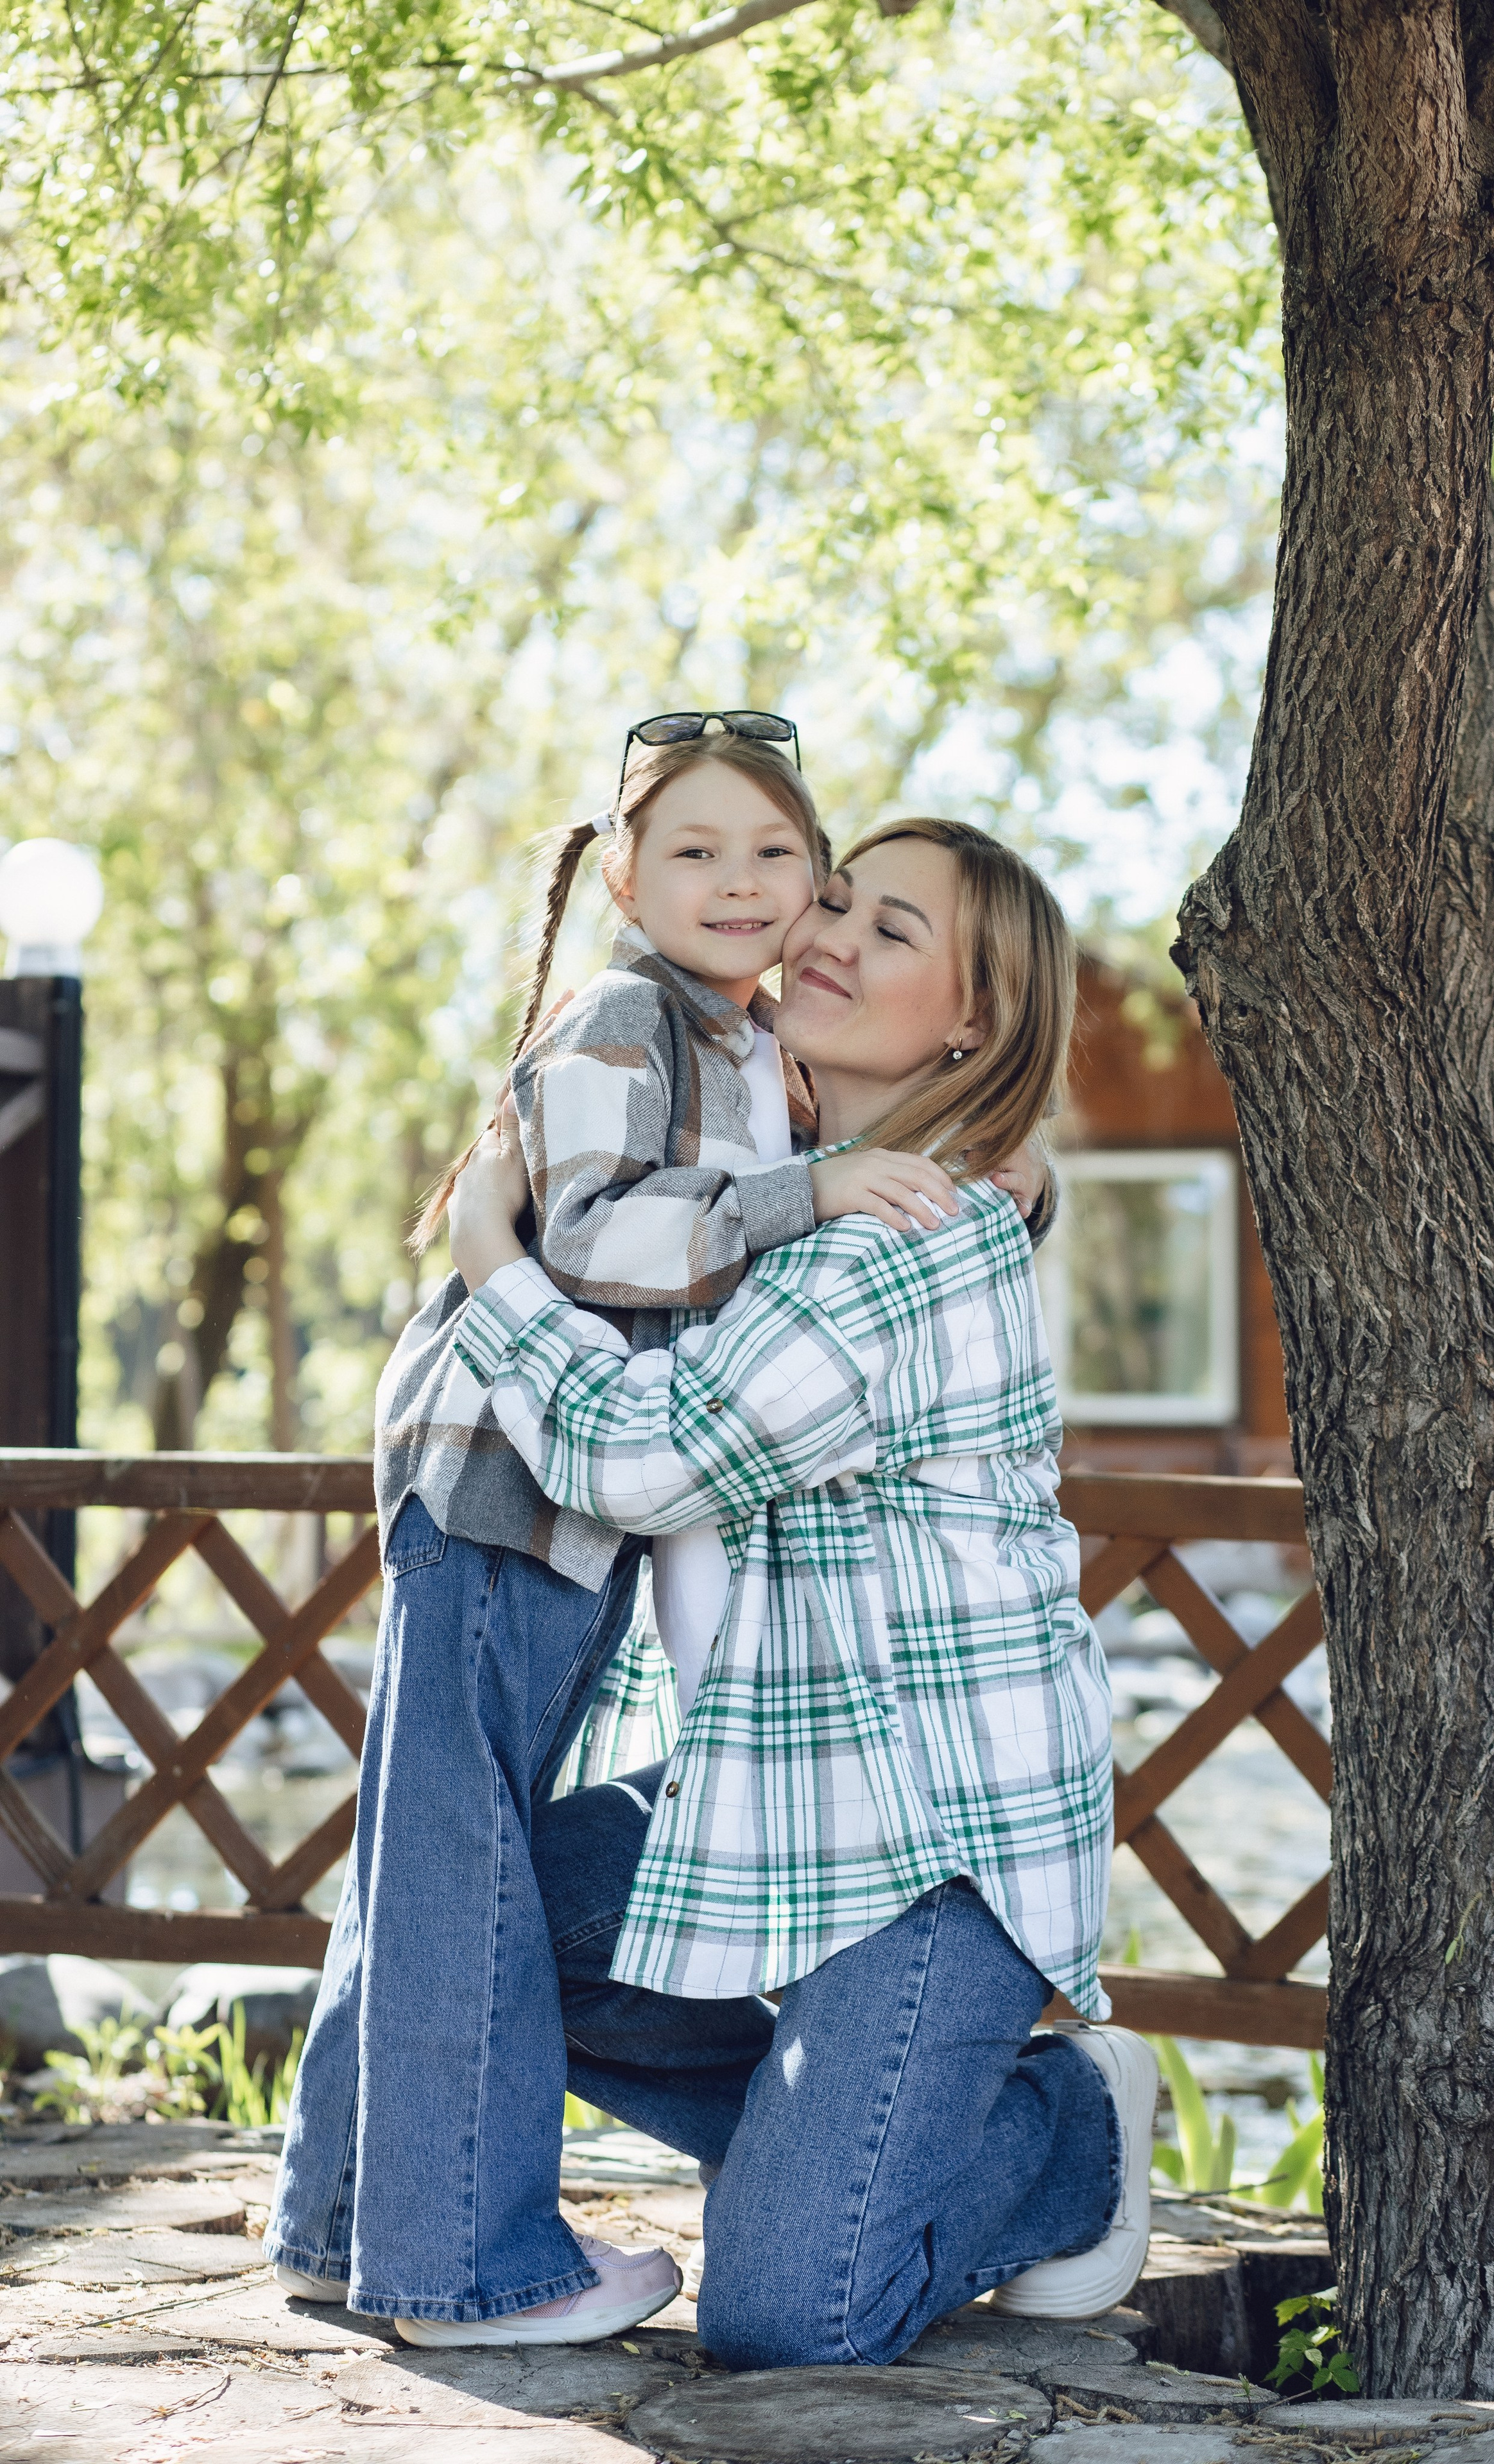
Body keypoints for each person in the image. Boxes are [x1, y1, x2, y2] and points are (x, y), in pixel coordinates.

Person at [264, 721, 1035, 2341]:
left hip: (870, 1791)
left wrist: (498, 1254)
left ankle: (358, 2223)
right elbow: (629, 1230)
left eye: (803, 875)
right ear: (623, 876)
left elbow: (662, 1417)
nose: (783, 909)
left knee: (442, 1863)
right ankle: (433, 2249)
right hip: (529, 1524)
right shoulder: (663, 1036)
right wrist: (787, 1199)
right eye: (705, 856)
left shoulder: (834, 1131)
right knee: (453, 1864)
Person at [432, 817, 1156, 2367]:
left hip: (931, 1842)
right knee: (493, 1920)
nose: (825, 933)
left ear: (973, 1017)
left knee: (791, 2315)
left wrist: (494, 1258)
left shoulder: (903, 1237)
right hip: (775, 1798)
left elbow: (635, 1461)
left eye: (891, 931)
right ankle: (823, 2152)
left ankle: (1065, 2125)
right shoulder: (800, 1183)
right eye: (833, 899)